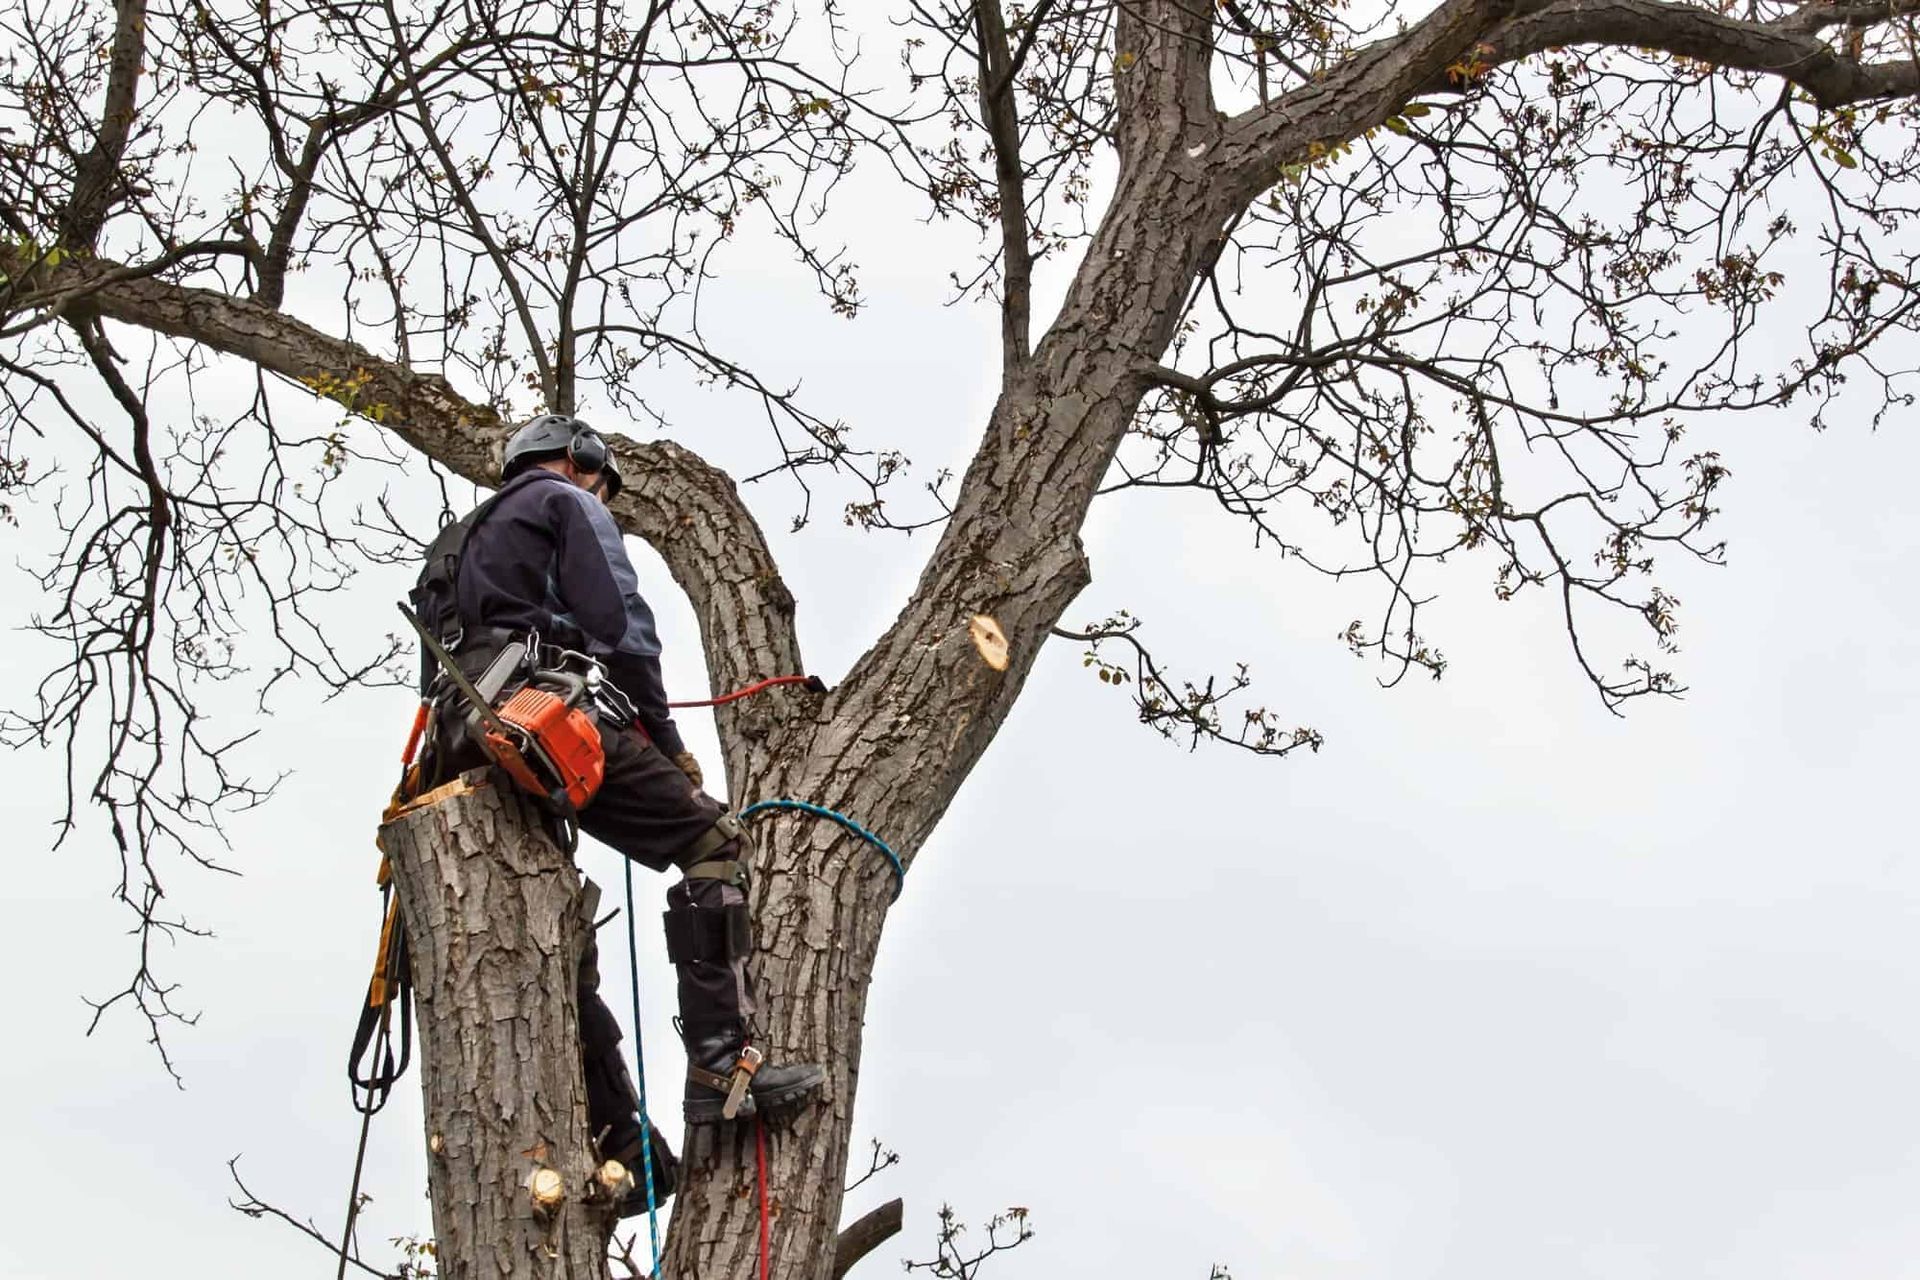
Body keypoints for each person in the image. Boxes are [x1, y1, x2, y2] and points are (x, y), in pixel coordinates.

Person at [407, 413, 826, 1175]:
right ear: (579, 461)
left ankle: (619, 1145)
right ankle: (721, 1062)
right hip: (543, 714)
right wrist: (664, 743)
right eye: (600, 480)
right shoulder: (567, 501)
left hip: (466, 737)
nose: (601, 493)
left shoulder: (456, 543)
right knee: (712, 843)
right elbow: (623, 626)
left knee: (558, 935)